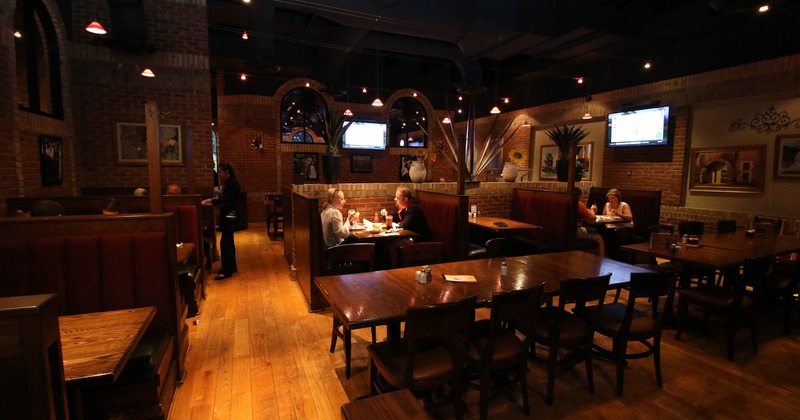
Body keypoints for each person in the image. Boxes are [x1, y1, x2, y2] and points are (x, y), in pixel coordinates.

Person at [202, 162, 241, 280]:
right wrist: (212, 200)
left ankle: (226, 271)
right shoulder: (230, 182)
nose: (218, 174)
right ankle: (231, 267)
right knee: (228, 242)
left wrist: (210, 201)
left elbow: (227, 201)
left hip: (230, 216)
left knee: (225, 243)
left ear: (227, 172)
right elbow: (225, 199)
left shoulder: (232, 184)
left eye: (220, 172)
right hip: (231, 216)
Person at [576, 188, 605, 257]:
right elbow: (591, 221)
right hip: (574, 233)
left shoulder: (565, 200)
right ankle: (601, 260)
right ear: (580, 196)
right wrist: (592, 210)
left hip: (561, 233)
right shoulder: (578, 204)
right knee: (599, 238)